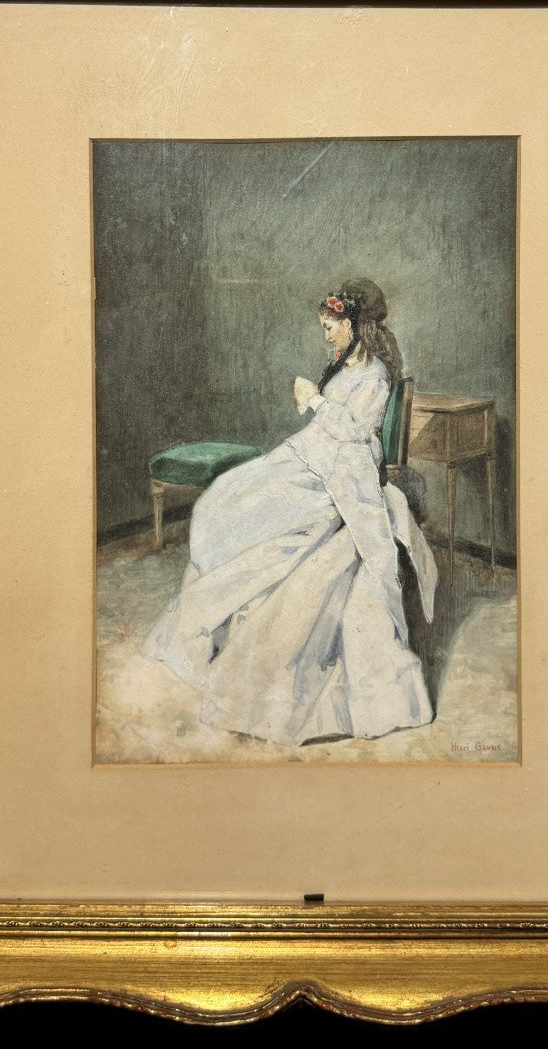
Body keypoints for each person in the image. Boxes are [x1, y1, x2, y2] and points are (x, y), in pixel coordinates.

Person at [142, 277, 437, 746]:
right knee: (226, 494)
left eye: (330, 326)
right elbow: (329, 426)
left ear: (353, 324)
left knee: (257, 505)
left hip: (339, 470)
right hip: (310, 454)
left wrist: (315, 400)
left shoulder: (375, 375)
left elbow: (356, 436)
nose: (326, 335)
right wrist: (316, 404)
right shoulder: (346, 364)